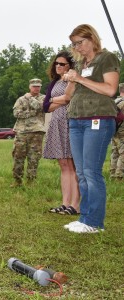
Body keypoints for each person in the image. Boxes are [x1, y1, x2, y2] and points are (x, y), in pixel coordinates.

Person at [62, 24, 120, 233]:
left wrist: (79, 78)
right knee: (82, 172)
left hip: (98, 119)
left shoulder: (107, 58)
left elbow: (110, 89)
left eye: (81, 42)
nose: (78, 47)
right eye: (74, 44)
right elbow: (69, 96)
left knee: (91, 171)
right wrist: (70, 79)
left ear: (92, 39)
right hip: (77, 119)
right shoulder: (81, 64)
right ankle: (85, 217)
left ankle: (94, 222)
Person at [43, 52, 80, 215]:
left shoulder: (72, 80)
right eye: (56, 63)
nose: (58, 66)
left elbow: (68, 98)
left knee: (73, 165)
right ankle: (65, 203)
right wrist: (55, 101)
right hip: (56, 124)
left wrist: (52, 100)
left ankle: (75, 204)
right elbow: (45, 107)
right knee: (63, 165)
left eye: (62, 64)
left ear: (70, 66)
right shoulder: (54, 83)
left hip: (70, 123)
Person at [11, 78, 45, 187]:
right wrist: (31, 113)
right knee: (18, 156)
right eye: (34, 86)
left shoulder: (43, 98)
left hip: (36, 131)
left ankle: (31, 181)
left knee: (34, 157)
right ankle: (17, 180)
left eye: (38, 86)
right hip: (22, 131)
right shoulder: (21, 99)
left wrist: (30, 98)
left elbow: (39, 107)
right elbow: (16, 113)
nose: (36, 88)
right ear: (29, 87)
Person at [110, 83, 124, 180]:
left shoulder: (114, 101)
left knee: (115, 152)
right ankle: (119, 176)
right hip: (122, 132)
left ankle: (112, 173)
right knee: (123, 153)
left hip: (113, 130)